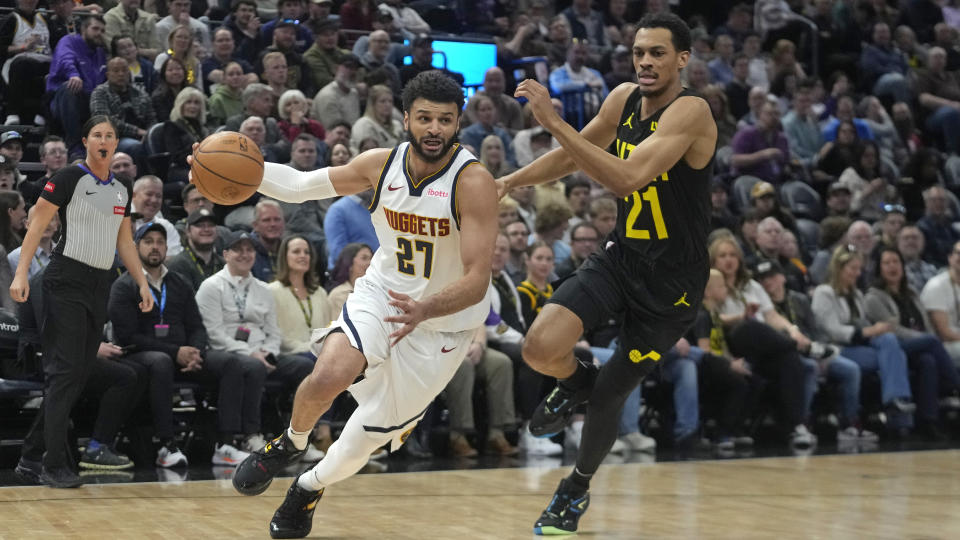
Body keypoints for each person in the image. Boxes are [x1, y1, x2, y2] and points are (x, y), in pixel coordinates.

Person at [222, 70, 496, 539]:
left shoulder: (473, 183)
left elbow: (477, 280)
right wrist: (239, 168)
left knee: (358, 442)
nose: (434, 129)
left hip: (443, 326)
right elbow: (303, 185)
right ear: (406, 118)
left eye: (445, 121)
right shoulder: (378, 164)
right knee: (327, 375)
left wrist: (427, 310)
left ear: (458, 123)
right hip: (384, 296)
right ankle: (290, 442)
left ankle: (307, 487)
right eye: (425, 118)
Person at [494, 14, 716, 534]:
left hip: (672, 283)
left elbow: (626, 176)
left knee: (612, 395)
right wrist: (511, 180)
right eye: (639, 52)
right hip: (623, 257)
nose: (644, 61)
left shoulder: (693, 112)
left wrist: (553, 121)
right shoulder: (622, 99)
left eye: (657, 53)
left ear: (682, 58)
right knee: (537, 346)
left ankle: (574, 489)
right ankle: (575, 381)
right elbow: (575, 157)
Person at [9, 115, 154, 488]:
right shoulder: (70, 178)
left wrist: (142, 282)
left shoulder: (122, 187)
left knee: (78, 375)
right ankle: (52, 464)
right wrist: (21, 272)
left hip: (99, 284)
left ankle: (29, 456)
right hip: (64, 281)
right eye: (97, 135)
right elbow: (38, 223)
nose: (104, 140)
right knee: (64, 374)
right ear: (86, 141)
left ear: (116, 142)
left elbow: (124, 241)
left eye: (110, 135)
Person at [110, 222, 269, 467]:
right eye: (148, 241)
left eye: (160, 242)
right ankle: (166, 445)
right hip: (142, 356)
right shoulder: (124, 285)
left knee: (230, 363)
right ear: (135, 247)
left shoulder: (179, 281)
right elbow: (128, 337)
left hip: (185, 355)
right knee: (160, 362)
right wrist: (176, 352)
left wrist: (195, 352)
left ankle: (225, 443)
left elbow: (196, 325)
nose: (155, 247)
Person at [812, 245, 917, 421]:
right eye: (853, 268)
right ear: (839, 267)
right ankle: (896, 405)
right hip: (836, 349)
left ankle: (895, 401)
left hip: (859, 346)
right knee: (897, 356)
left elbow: (862, 324)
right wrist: (870, 330)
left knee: (889, 339)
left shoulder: (857, 294)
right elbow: (831, 330)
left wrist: (880, 328)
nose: (858, 273)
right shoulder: (824, 293)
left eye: (859, 268)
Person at [867, 247, 960, 438]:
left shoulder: (911, 293)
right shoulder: (873, 296)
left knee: (928, 361)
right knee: (932, 342)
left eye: (896, 262)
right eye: (887, 263)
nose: (893, 267)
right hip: (892, 349)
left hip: (918, 348)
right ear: (879, 268)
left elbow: (925, 324)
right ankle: (956, 386)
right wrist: (923, 338)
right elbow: (891, 329)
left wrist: (924, 338)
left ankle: (928, 421)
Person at [47, 15, 108, 157]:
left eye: (102, 30)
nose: (99, 33)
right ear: (83, 29)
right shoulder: (69, 41)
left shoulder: (101, 52)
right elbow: (65, 58)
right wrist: (73, 74)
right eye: (95, 28)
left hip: (90, 100)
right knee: (71, 86)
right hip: (62, 100)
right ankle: (74, 146)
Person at [267, 234, 332, 355]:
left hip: (321, 354)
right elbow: (276, 335)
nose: (303, 255)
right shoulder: (272, 291)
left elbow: (327, 330)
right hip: (291, 356)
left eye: (307, 252)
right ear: (284, 257)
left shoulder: (320, 293)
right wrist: (309, 348)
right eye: (296, 251)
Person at [167, 208, 224, 291]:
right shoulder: (177, 265)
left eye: (211, 225)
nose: (206, 229)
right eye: (200, 225)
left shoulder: (224, 265)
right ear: (188, 231)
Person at [325, 242, 372, 315]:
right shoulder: (339, 295)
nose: (370, 263)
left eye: (371, 258)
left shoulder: (374, 291)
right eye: (364, 258)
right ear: (349, 264)